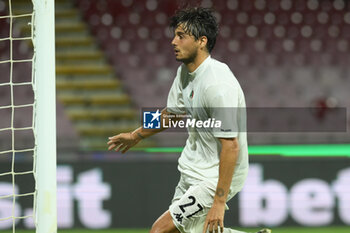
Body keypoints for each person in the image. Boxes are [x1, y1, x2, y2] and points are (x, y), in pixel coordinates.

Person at [108, 7, 271, 233]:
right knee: (187, 231)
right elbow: (172, 113)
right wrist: (135, 135)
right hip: (193, 168)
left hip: (214, 176)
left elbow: (231, 146)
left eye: (181, 36)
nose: (173, 41)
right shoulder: (184, 73)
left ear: (201, 41)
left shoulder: (217, 85)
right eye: (175, 35)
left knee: (159, 231)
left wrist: (219, 201)